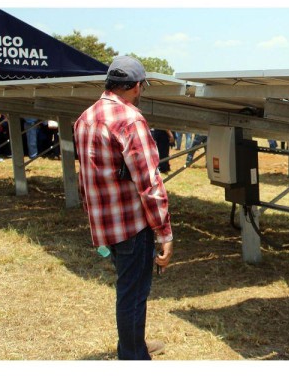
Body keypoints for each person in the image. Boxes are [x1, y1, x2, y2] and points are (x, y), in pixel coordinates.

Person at [74, 55, 173, 360]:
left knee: (129, 289)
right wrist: (164, 232)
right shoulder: (129, 119)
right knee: (132, 294)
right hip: (131, 224)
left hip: (106, 225)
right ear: (135, 86)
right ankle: (132, 357)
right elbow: (149, 180)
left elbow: (85, 177)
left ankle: (135, 346)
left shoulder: (85, 117)